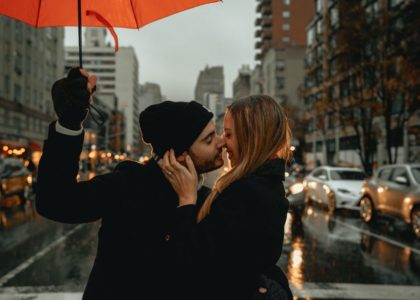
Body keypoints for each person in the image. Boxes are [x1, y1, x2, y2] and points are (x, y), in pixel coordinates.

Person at [35, 68, 225, 300]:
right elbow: (55, 201)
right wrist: (69, 123)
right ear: (181, 154)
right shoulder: (130, 184)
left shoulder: (209, 199)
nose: (221, 142)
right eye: (209, 139)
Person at [160, 95, 294, 300]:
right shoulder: (267, 186)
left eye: (229, 134)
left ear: (251, 139)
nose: (222, 142)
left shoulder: (247, 194)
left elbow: (189, 263)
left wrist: (186, 200)